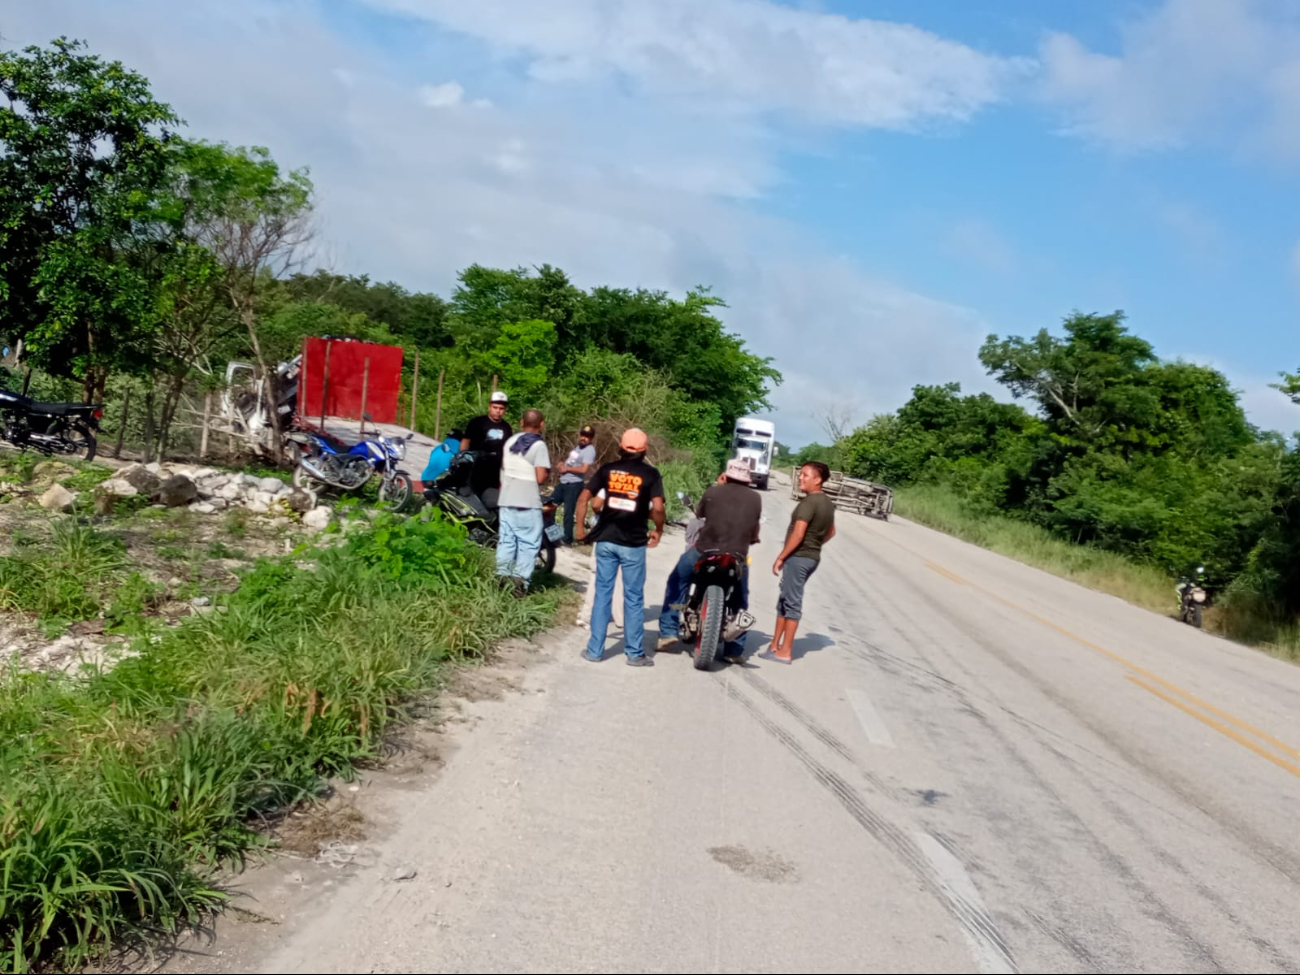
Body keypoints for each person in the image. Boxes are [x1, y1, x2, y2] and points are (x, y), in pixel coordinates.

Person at [575, 428, 665, 667]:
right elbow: (657, 507)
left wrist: (580, 530)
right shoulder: (651, 474)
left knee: (602, 594)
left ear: (621, 447)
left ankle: (594, 650)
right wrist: (658, 529)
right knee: (633, 598)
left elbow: (585, 498)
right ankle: (634, 654)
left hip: (605, 540)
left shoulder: (607, 470)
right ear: (644, 450)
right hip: (633, 544)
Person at [658, 461, 761, 662]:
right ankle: (735, 649)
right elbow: (754, 529)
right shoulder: (755, 498)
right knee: (740, 597)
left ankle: (668, 632)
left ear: (726, 475)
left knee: (677, 580)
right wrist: (752, 538)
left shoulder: (713, 491)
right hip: (736, 556)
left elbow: (701, 514)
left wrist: (718, 486)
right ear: (747, 479)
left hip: (704, 551)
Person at [761, 461, 836, 664]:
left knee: (791, 603)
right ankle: (774, 645)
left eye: (805, 475)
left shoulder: (809, 503)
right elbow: (831, 532)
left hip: (799, 557)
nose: (800, 478)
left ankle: (785, 651)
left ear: (818, 480)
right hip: (810, 557)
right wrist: (815, 545)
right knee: (784, 600)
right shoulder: (827, 503)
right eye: (800, 474)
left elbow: (799, 533)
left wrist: (781, 556)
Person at [496, 409, 551, 596]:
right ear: (541, 424)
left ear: (521, 422)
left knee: (507, 541)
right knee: (528, 544)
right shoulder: (539, 446)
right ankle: (519, 584)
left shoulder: (510, 441)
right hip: (527, 501)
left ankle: (501, 578)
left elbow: (504, 469)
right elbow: (541, 477)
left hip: (506, 499)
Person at [462, 391, 513, 499]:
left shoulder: (506, 427)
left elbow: (507, 450)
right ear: (489, 407)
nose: (498, 411)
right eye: (495, 407)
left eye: (501, 408)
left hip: (494, 472)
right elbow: (465, 442)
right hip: (475, 469)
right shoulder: (477, 422)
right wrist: (462, 459)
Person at [553, 424, 597, 545]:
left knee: (568, 513)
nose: (584, 438)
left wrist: (566, 469)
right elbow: (571, 463)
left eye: (587, 436)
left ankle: (567, 539)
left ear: (591, 438)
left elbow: (583, 470)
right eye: (582, 435)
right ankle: (554, 535)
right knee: (550, 506)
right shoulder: (578, 447)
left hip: (573, 485)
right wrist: (562, 465)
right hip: (563, 482)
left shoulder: (589, 451)